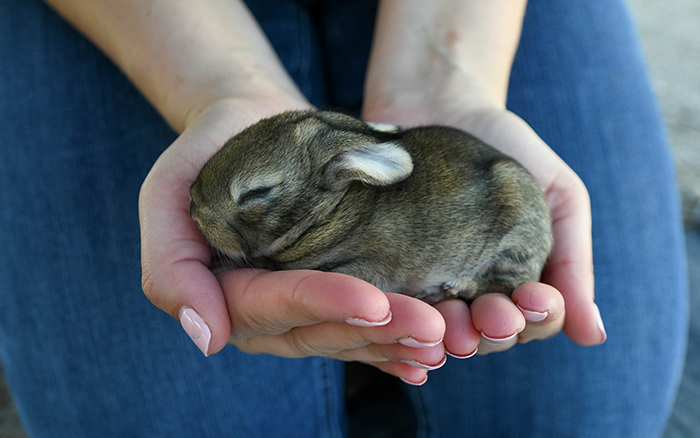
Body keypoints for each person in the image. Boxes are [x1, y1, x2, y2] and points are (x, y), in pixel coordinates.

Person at [0, 0, 687, 437]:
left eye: (251, 198)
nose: (205, 218)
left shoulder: (363, 197)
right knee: (161, 421)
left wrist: (446, 74)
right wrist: (221, 87)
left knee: (584, 417)